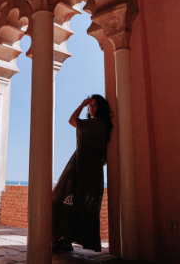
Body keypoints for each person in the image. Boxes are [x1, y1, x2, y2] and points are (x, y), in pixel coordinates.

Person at [52, 94, 113, 253]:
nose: (91, 108)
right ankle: (65, 241)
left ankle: (59, 239)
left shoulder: (95, 125)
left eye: (94, 105)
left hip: (82, 167)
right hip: (87, 168)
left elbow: (72, 120)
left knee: (64, 199)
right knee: (70, 202)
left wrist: (80, 105)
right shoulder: (99, 125)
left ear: (101, 108)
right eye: (90, 105)